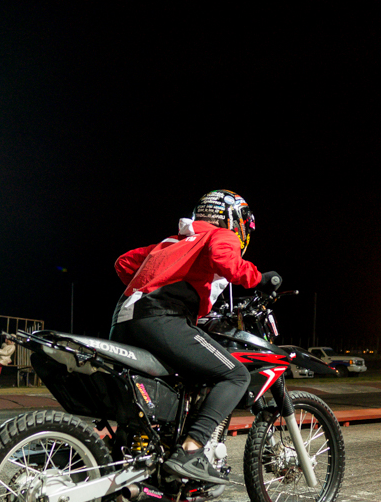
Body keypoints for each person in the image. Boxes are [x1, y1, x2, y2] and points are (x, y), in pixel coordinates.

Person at [110, 189, 277, 485]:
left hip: (124, 320)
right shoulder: (221, 235)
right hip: (160, 318)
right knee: (235, 375)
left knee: (170, 388)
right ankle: (192, 450)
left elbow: (123, 263)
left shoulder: (172, 241)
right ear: (234, 219)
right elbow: (226, 262)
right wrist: (260, 278)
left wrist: (156, 280)